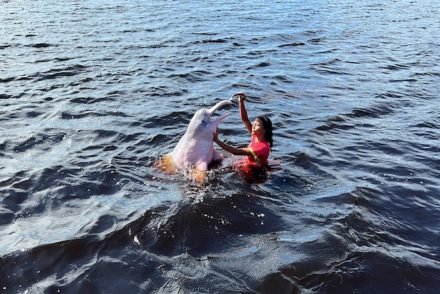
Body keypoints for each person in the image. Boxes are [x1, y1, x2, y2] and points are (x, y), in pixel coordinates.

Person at [213, 93, 273, 180]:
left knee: (223, 170)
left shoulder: (261, 147)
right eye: (254, 123)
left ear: (264, 130)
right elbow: (245, 120)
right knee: (223, 165)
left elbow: (236, 152)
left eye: (257, 125)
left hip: (253, 171)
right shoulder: (256, 135)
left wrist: (217, 141)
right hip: (249, 163)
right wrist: (241, 102)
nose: (253, 125)